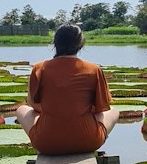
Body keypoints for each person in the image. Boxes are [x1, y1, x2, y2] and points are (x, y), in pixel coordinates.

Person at [15, 23, 119, 155]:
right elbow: (101, 108)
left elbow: (32, 103)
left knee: (21, 109)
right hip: (88, 142)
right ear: (81, 44)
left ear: (55, 43)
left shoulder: (39, 68)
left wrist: (55, 109)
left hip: (46, 143)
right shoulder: (94, 69)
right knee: (114, 111)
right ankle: (93, 135)